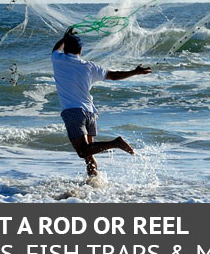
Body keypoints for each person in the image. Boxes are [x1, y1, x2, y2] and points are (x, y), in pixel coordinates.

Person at [51, 29, 152, 177]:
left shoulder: (57, 59)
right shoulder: (89, 67)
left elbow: (56, 49)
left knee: (82, 151)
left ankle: (115, 143)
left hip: (73, 112)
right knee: (89, 155)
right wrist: (134, 72)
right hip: (90, 113)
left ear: (65, 47)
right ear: (81, 50)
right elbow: (115, 76)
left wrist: (64, 38)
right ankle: (93, 183)